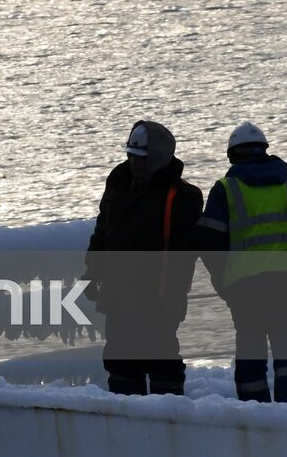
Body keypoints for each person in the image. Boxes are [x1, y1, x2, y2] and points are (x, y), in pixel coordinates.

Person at [194, 122, 287, 407]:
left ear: (232, 156)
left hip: (247, 291)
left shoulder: (226, 189)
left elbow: (208, 243)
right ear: (265, 151)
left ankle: (258, 423)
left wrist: (223, 281)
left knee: (251, 362)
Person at [84, 120, 202, 396]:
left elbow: (185, 253)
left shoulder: (182, 197)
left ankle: (168, 422)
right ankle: (127, 421)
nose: (134, 163)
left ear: (158, 158)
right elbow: (102, 234)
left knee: (161, 361)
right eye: (130, 156)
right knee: (121, 362)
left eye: (140, 158)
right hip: (118, 296)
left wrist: (173, 293)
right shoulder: (117, 189)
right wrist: (92, 273)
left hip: (158, 298)